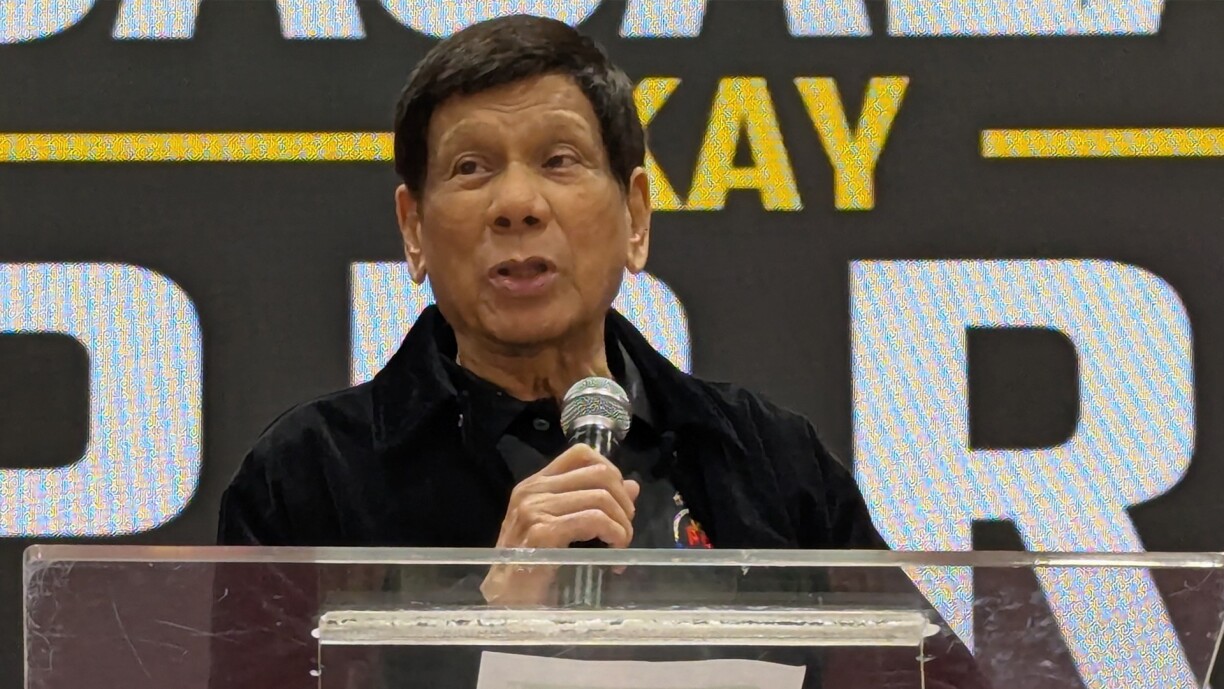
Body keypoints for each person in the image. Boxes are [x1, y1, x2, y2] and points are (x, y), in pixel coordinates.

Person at [212, 14, 986, 689]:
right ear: (414, 228)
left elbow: (931, 675)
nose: (518, 204)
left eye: (560, 160)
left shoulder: (768, 460)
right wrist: (482, 620)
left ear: (636, 215)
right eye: (471, 167)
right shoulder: (310, 478)